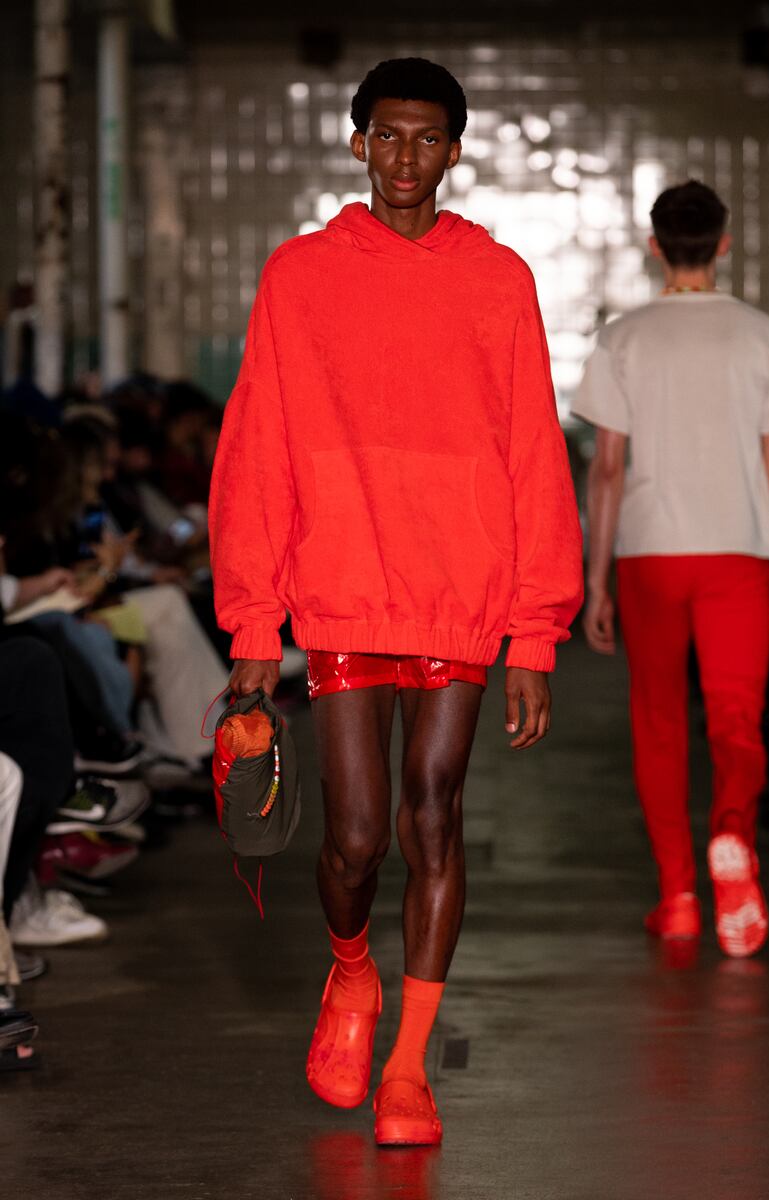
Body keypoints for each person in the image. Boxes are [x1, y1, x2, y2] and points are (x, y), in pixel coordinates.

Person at [209, 57, 582, 1146]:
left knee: (432, 813)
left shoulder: (498, 278)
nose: (406, 154)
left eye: (428, 137)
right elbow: (259, 449)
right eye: (387, 135)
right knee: (355, 837)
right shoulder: (299, 275)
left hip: (458, 590)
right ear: (358, 144)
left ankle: (409, 1070)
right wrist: (251, 620)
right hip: (339, 586)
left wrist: (533, 630)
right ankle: (348, 972)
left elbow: (529, 453)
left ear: (455, 150)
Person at [573, 179, 769, 959]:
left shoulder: (623, 339)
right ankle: (732, 835)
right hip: (738, 546)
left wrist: (596, 579)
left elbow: (606, 471)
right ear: (725, 244)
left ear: (655, 245)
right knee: (737, 719)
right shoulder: (765, 336)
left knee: (660, 722)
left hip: (650, 554)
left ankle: (676, 898)